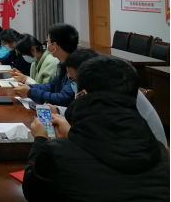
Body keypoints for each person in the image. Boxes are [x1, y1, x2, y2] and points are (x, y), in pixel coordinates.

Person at [23, 56, 170, 202]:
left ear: (83, 94)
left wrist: (41, 139)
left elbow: (32, 192)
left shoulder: (57, 152)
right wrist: (73, 135)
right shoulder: (160, 152)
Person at [49, 48, 168, 147]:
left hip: (145, 151)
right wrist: (58, 110)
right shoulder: (106, 87)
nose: (73, 84)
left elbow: (100, 139)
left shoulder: (111, 93)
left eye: (73, 80)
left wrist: (70, 134)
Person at [13, 23, 77, 106]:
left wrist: (30, 92)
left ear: (55, 45)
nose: (46, 45)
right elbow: (51, 86)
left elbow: (64, 98)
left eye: (48, 41)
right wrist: (29, 88)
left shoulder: (75, 66)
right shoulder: (63, 64)